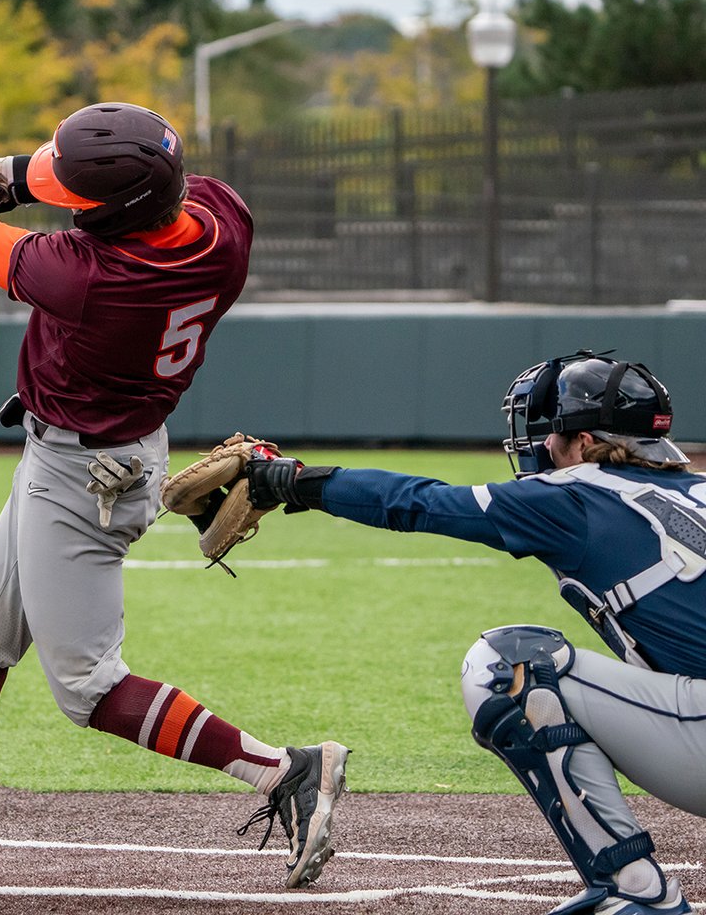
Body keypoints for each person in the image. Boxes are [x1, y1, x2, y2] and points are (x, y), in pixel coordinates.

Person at [0, 102, 350, 889]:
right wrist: (15, 176)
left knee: (89, 688)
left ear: (111, 219)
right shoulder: (223, 221)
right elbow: (124, 195)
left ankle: (285, 770)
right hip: (98, 455)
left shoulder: (92, 279)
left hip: (84, 481)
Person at [244, 350, 702, 915]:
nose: (539, 448)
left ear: (583, 443)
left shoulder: (574, 497)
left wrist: (293, 483)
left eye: (549, 435)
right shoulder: (694, 489)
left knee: (509, 663)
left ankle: (636, 891)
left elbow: (416, 503)